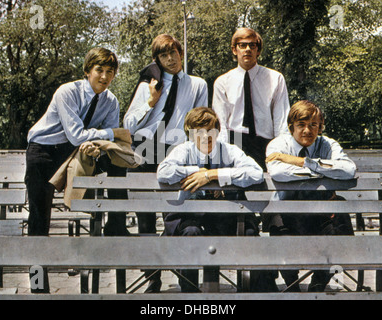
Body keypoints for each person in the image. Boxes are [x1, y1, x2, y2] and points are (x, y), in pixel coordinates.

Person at [25, 47, 129, 292]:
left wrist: (99, 148)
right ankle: (38, 289)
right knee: (39, 222)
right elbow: (75, 134)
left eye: (110, 72)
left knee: (119, 159)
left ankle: (115, 222)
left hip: (77, 151)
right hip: (44, 151)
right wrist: (109, 133)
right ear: (87, 71)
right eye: (99, 70)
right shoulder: (67, 92)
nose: (104, 77)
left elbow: (109, 144)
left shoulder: (111, 101)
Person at [123, 34, 208, 292]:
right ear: (157, 59)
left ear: (181, 53)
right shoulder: (147, 85)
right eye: (163, 55)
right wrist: (150, 102)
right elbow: (128, 125)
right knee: (145, 220)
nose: (170, 59)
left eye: (174, 52)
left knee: (180, 215)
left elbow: (202, 121)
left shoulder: (197, 84)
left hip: (176, 153)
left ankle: (187, 277)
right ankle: (153, 278)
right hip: (144, 151)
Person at [157, 107, 264, 292]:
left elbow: (256, 173)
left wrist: (215, 175)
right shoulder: (183, 150)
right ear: (189, 134)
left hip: (225, 216)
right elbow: (163, 172)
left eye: (210, 130)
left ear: (218, 131)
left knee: (248, 235)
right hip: (190, 216)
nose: (206, 136)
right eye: (199, 132)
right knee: (190, 233)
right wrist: (196, 171)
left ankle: (249, 291)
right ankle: (189, 291)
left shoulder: (228, 150)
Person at [266, 100, 356, 292]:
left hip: (321, 213)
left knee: (340, 217)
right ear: (291, 127)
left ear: (320, 127)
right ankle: (292, 287)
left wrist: (301, 162)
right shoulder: (278, 145)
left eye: (313, 125)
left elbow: (348, 170)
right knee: (276, 221)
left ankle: (318, 284)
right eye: (301, 125)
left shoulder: (328, 144)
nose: (307, 130)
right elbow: (277, 172)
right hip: (287, 211)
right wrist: (321, 169)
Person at [212, 27, 290, 171]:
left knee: (272, 186)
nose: (247, 49)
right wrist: (222, 153)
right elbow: (220, 122)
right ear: (234, 50)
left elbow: (281, 118)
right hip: (234, 142)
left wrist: (280, 149)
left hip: (265, 142)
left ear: (258, 50)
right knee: (233, 191)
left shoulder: (275, 78)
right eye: (242, 45)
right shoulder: (222, 82)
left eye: (252, 45)